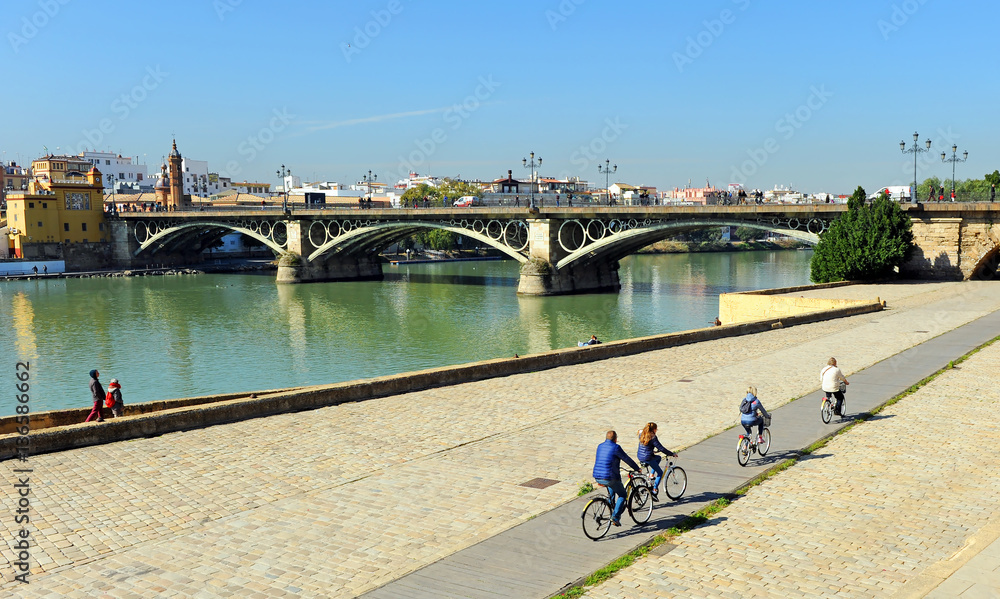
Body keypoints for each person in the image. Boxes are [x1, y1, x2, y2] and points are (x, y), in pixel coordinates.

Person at [592, 430, 642, 526]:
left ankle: (610, 507)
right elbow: (626, 458)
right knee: (623, 495)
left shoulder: (600, 446)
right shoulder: (616, 447)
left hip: (598, 476)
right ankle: (615, 517)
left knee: (612, 490)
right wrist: (637, 468)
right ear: (615, 439)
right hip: (609, 477)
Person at [636, 423, 676, 499]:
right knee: (660, 473)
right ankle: (654, 490)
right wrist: (671, 454)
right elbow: (661, 448)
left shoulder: (642, 433)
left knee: (658, 458)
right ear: (654, 429)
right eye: (656, 429)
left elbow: (645, 444)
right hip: (648, 457)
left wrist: (651, 451)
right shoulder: (653, 437)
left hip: (640, 456)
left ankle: (651, 475)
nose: (656, 430)